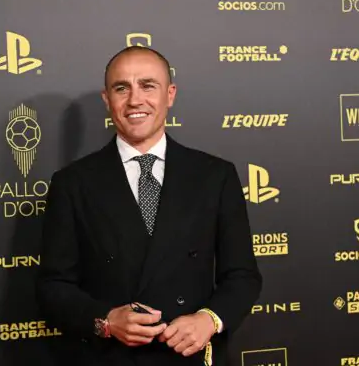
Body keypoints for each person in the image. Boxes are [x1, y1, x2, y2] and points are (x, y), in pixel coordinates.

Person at [37, 46, 262, 366]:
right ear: (107, 99)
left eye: (148, 85)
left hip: (189, 357)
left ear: (170, 94)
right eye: (121, 88)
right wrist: (106, 320)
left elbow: (242, 276)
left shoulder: (215, 175)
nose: (135, 100)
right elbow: (53, 287)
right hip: (110, 359)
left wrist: (209, 320)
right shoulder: (72, 183)